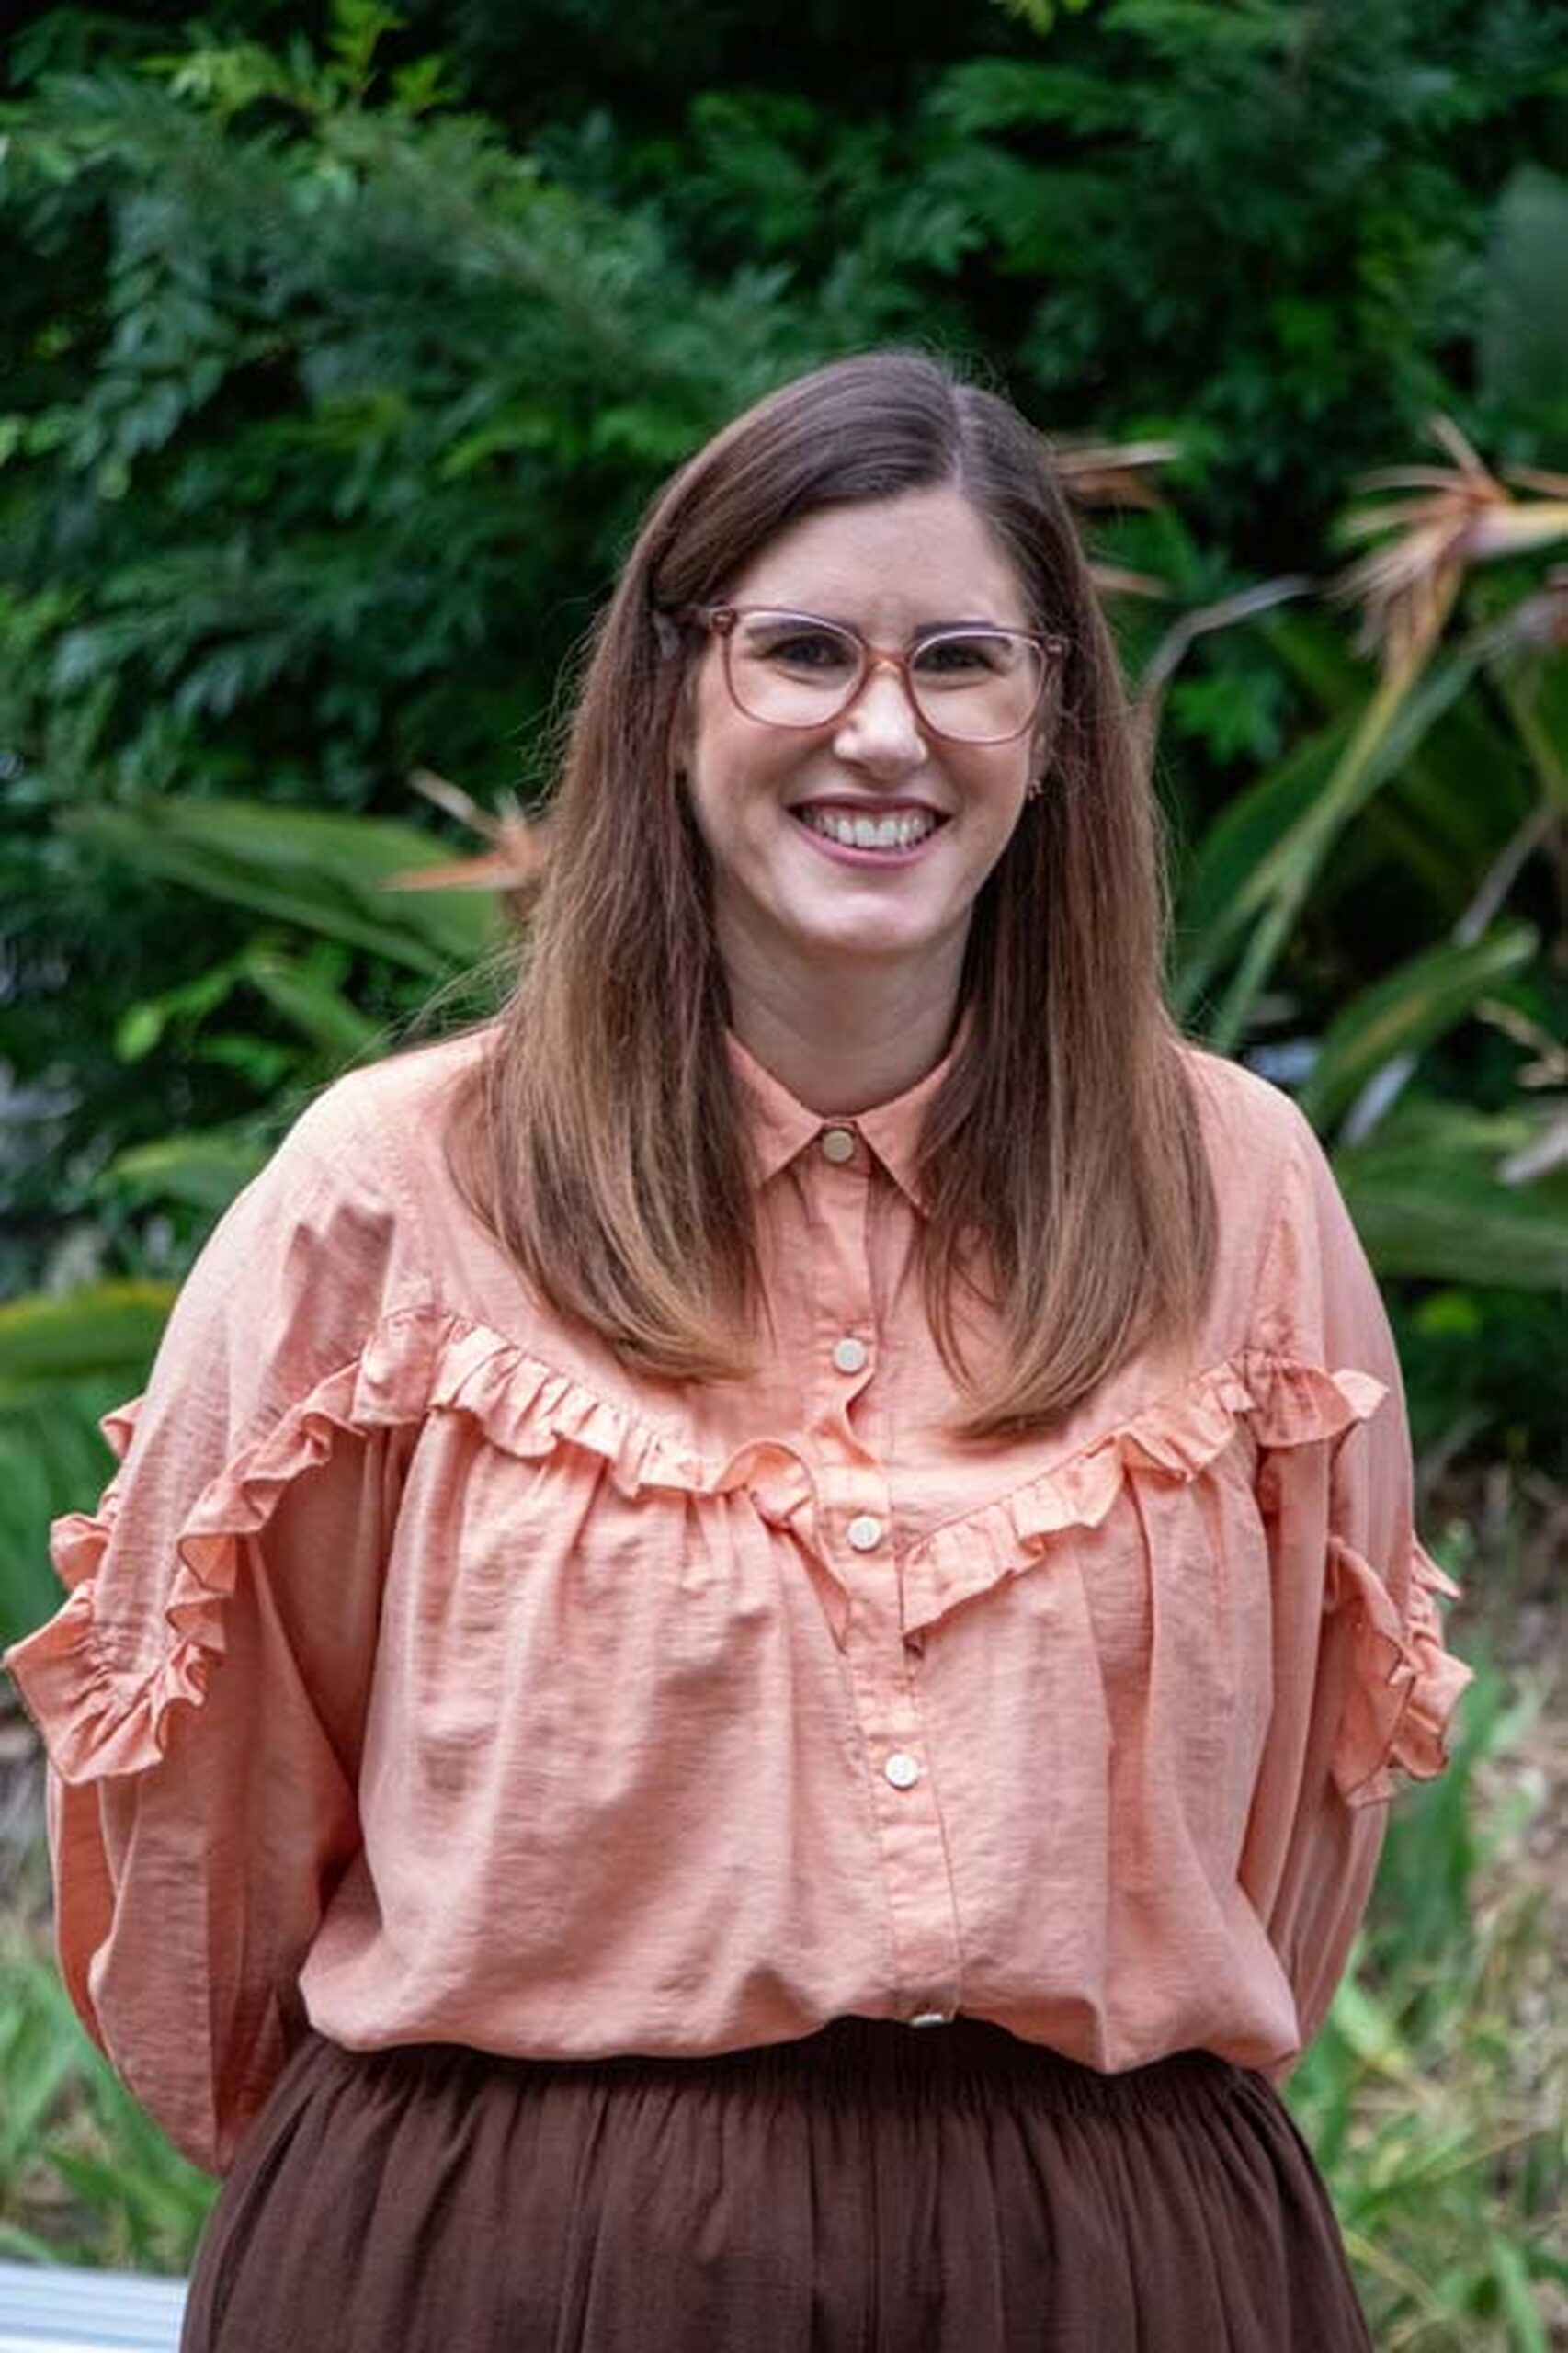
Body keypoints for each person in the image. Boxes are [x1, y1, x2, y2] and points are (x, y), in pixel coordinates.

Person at [7, 349, 1470, 2351]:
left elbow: (1303, 1819)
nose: (883, 728)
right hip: (505, 2266)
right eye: (799, 649)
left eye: (961, 657)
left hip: (1111, 2269)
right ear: (672, 689)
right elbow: (210, 1819)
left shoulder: (1239, 1192)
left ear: (1049, 719)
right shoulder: (394, 1192)